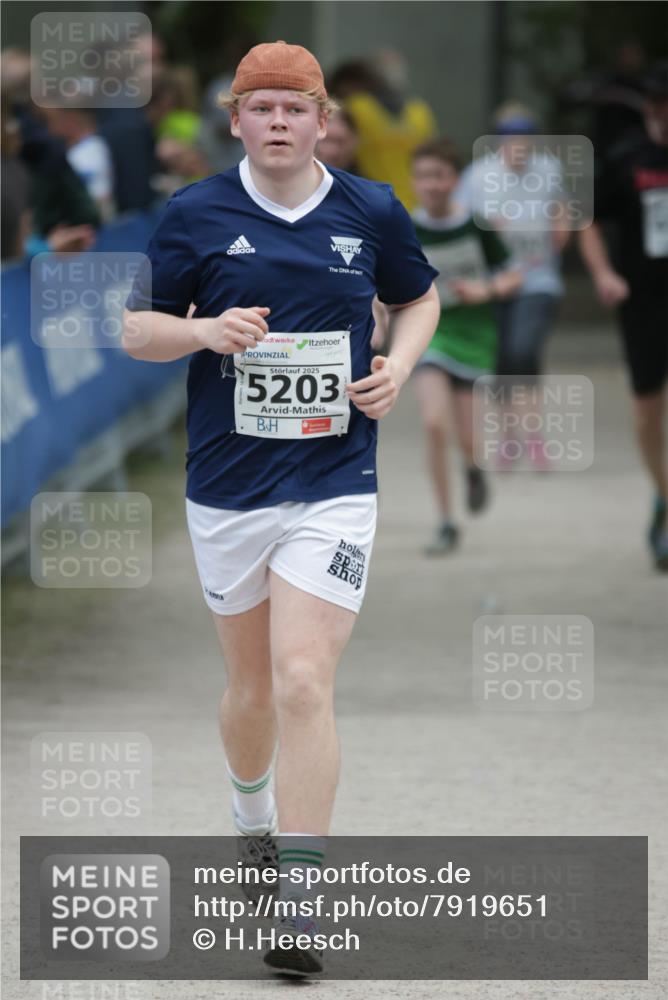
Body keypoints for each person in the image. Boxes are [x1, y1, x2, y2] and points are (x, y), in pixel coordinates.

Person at [123, 40, 439, 976]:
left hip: (333, 482)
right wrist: (202, 331)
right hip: (228, 487)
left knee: (303, 680)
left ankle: (299, 905)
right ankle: (250, 815)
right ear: (234, 121)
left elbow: (418, 300)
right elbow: (135, 329)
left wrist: (398, 369)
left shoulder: (370, 208)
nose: (277, 123)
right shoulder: (196, 212)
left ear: (323, 121)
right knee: (251, 691)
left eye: (295, 109)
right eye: (260, 108)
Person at [409, 138, 522, 554]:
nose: (431, 184)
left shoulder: (476, 225)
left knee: (469, 439)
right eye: (423, 176)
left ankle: (473, 469)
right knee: (434, 424)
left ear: (455, 180)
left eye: (439, 175)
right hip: (430, 333)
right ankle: (446, 521)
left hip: (475, 337)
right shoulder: (405, 228)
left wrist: (483, 290)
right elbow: (386, 281)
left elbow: (514, 275)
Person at [579, 63, 668, 571]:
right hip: (644, 301)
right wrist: (603, 274)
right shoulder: (627, 158)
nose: (659, 112)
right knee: (647, 409)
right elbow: (587, 219)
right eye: (653, 104)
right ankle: (663, 495)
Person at [456, 103, 569, 469]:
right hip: (494, 282)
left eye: (525, 136)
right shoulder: (477, 176)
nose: (518, 144)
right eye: (510, 137)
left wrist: (557, 234)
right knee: (501, 359)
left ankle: (534, 433)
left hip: (538, 279)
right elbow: (461, 221)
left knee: (524, 350)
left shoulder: (549, 169)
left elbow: (562, 211)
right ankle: (510, 436)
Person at [328, 54, 437, 210]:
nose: (392, 77)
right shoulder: (358, 108)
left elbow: (432, 159)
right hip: (373, 202)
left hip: (417, 205)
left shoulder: (420, 112)